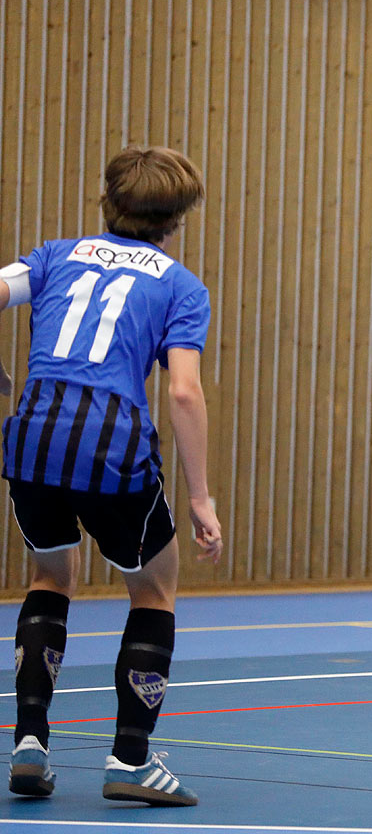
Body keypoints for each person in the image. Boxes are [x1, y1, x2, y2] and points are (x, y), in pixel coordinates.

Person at [2, 145, 223, 806]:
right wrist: (200, 496)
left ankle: (30, 743)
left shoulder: (53, 256)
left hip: (33, 436)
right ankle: (131, 759)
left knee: (49, 577)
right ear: (176, 221)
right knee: (154, 590)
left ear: (107, 200)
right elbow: (183, 393)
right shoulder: (180, 286)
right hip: (110, 443)